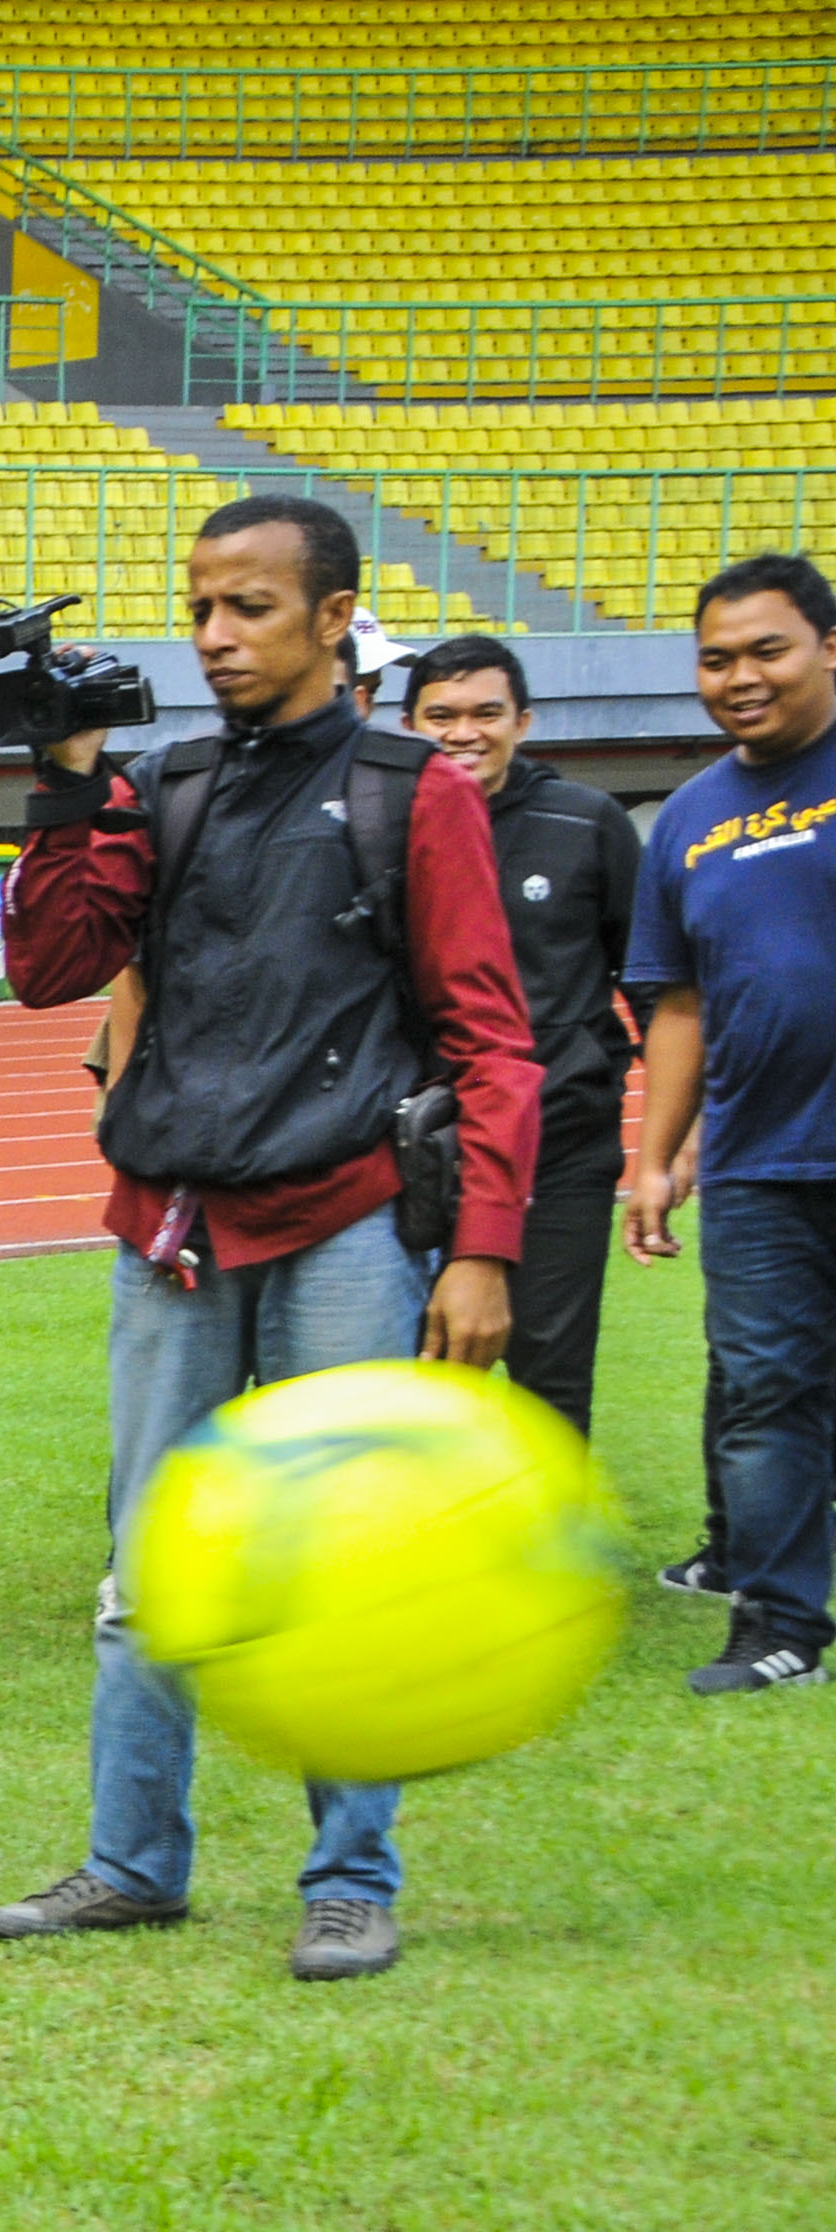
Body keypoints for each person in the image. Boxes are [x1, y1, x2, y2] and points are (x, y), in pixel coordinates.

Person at [0, 498, 540, 1982]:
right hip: (171, 1224)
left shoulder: (414, 792)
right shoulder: (163, 784)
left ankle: (350, 1880)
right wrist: (67, 782)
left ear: (336, 617)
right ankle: (130, 1864)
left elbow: (492, 1040)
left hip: (346, 1219)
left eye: (249, 607)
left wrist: (481, 1247)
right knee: (145, 1572)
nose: (216, 636)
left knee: (346, 1565)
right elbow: (49, 966)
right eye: (199, 608)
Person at [624, 552, 836, 1699]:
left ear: (828, 648)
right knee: (764, 1393)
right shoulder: (689, 817)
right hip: (758, 1159)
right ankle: (776, 1624)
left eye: (766, 650)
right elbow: (678, 1004)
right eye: (715, 659)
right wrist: (654, 1158)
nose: (739, 677)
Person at [403, 633, 643, 1437]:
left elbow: (646, 977)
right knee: (418, 1372)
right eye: (441, 715)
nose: (463, 732)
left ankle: (551, 1520)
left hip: (560, 1144)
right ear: (410, 724)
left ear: (524, 722)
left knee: (551, 1374)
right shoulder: (384, 822)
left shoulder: (586, 821)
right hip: (416, 1147)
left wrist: (671, 1131)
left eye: (486, 713)